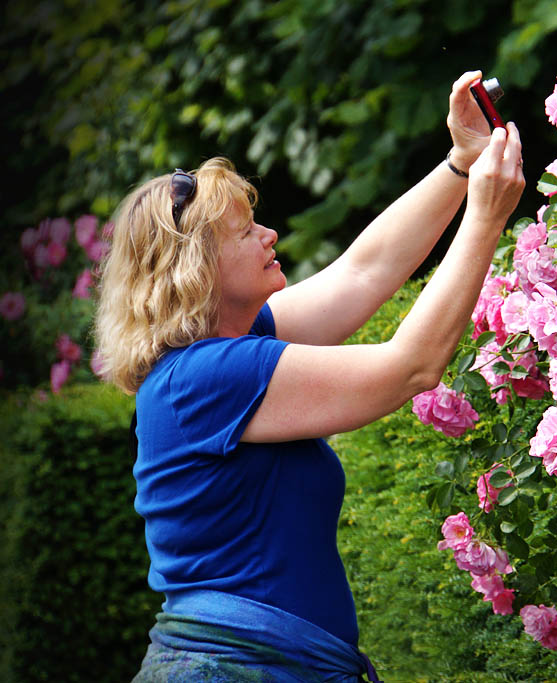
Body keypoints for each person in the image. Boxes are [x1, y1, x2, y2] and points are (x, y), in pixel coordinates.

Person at [94, 70, 525, 682]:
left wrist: (462, 162)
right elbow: (412, 366)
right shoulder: (207, 378)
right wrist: (484, 219)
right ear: (197, 271)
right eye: (246, 232)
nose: (270, 235)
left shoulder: (225, 350)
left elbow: (363, 273)